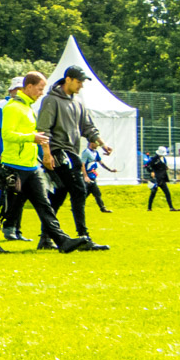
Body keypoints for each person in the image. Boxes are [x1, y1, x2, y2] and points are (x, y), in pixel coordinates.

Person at [0, 71, 95, 252]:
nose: (41, 93)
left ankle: (62, 241)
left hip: (31, 167)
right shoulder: (12, 107)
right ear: (29, 87)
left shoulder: (28, 108)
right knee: (7, 207)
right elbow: (7, 134)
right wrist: (32, 137)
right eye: (39, 89)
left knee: (44, 205)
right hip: (14, 166)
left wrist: (44, 152)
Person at [34, 67, 112, 248]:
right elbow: (43, 130)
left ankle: (45, 238)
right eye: (79, 82)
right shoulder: (51, 100)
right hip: (58, 152)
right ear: (68, 79)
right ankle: (84, 237)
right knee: (79, 190)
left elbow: (88, 127)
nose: (81, 86)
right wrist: (47, 154)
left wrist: (102, 144)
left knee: (59, 194)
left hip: (72, 152)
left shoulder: (78, 102)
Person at [75, 145, 115, 215]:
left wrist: (110, 169)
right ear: (91, 143)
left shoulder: (96, 152)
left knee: (97, 193)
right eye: (95, 143)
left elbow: (101, 162)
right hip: (87, 177)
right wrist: (85, 176)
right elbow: (82, 165)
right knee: (83, 194)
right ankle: (76, 207)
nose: (97, 145)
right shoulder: (86, 152)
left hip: (93, 176)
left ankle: (103, 208)